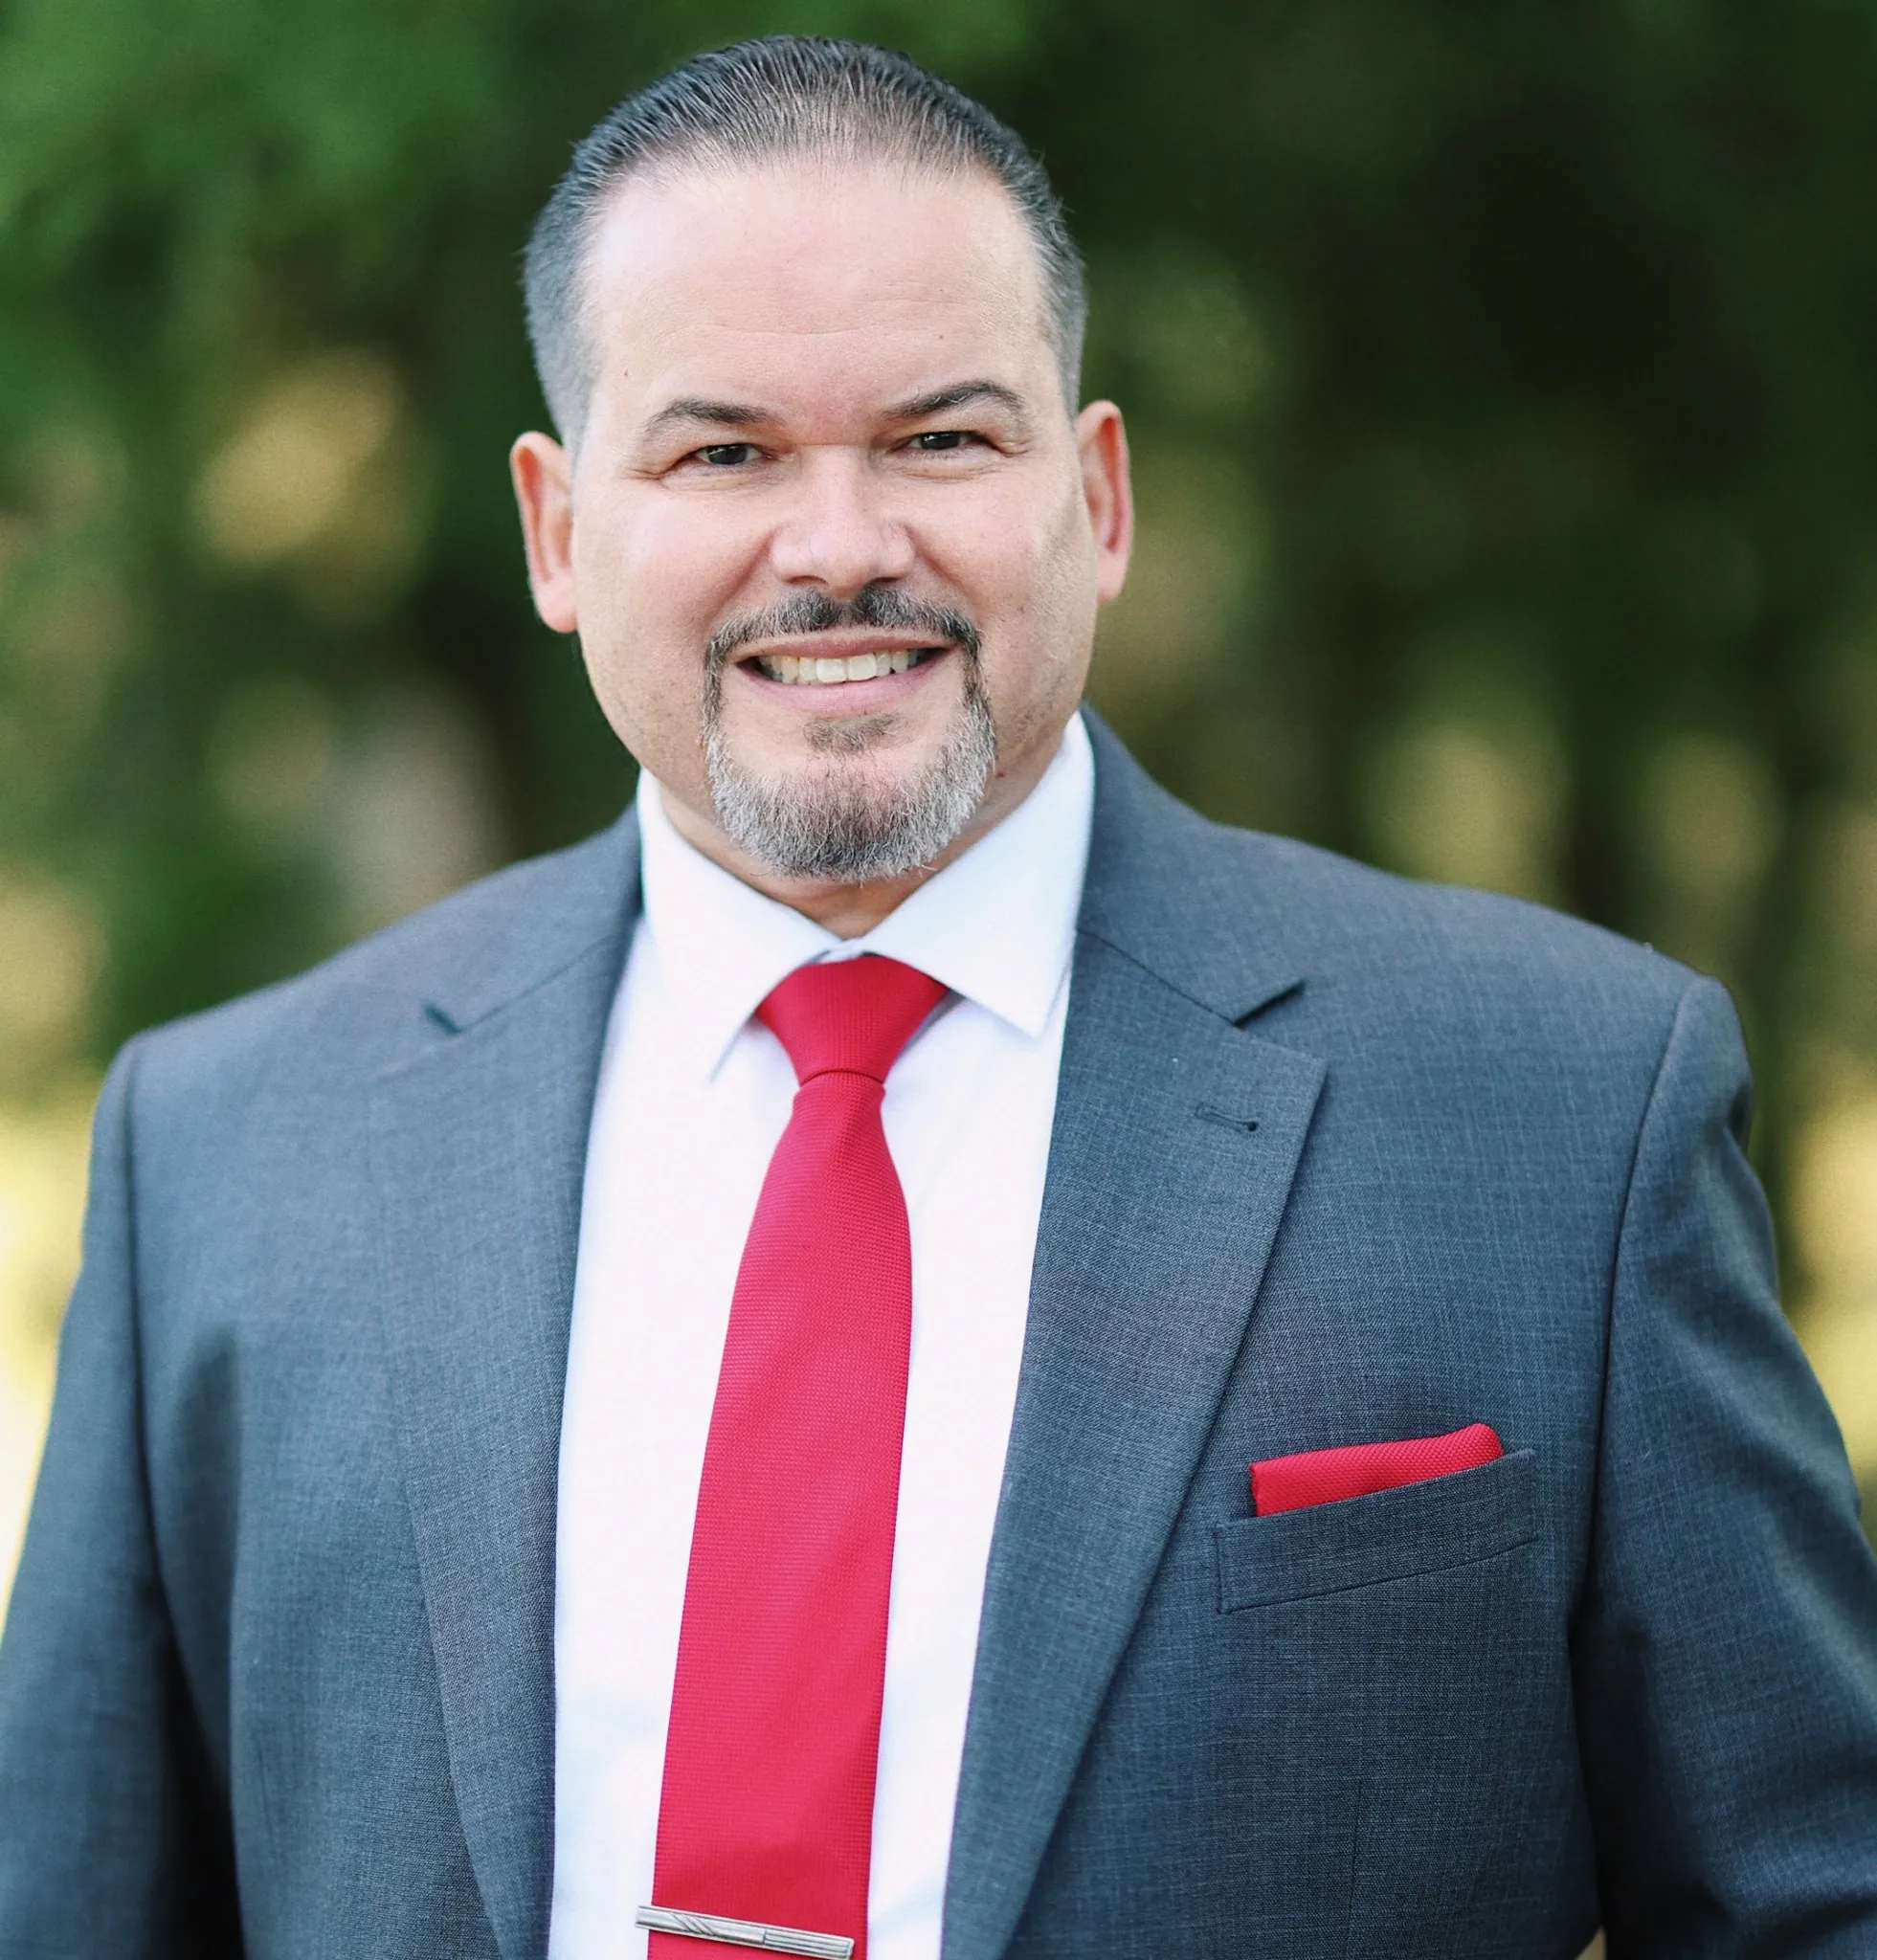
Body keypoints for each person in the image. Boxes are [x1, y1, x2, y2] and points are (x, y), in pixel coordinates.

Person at [2, 33, 1874, 1960]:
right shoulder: (219, 1154)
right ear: (559, 530)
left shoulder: (1561, 1116)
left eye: (938, 438)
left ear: (1099, 494)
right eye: (722, 451)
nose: (837, 546)